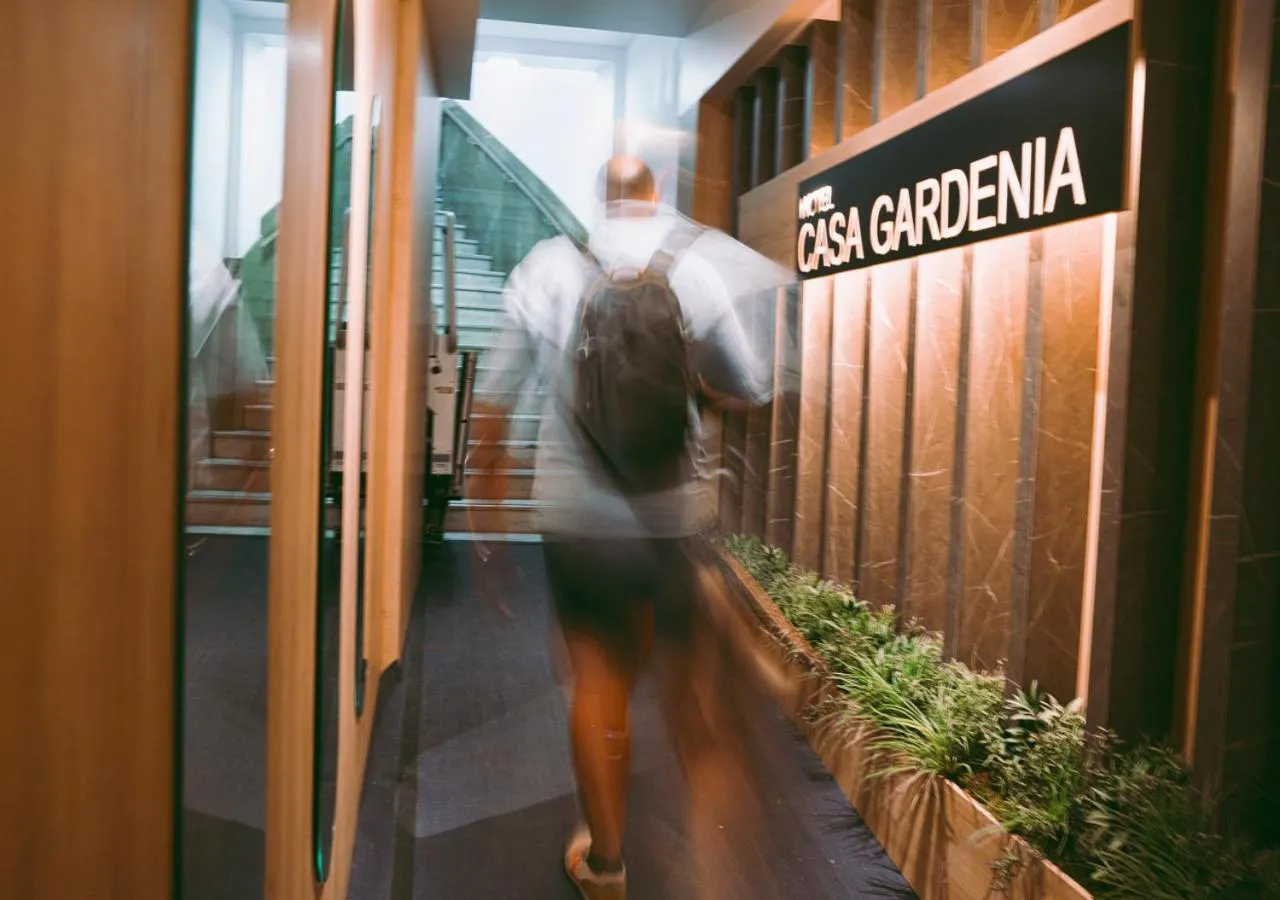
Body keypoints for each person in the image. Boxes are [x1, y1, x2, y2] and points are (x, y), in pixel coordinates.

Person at [468, 155, 775, 900]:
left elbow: (496, 407)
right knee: (694, 710)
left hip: (579, 522)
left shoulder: (549, 268)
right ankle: (717, 877)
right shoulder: (695, 267)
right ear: (655, 196)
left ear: (599, 198)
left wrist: (484, 520)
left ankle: (606, 865)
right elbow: (749, 387)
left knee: (598, 681)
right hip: (673, 523)